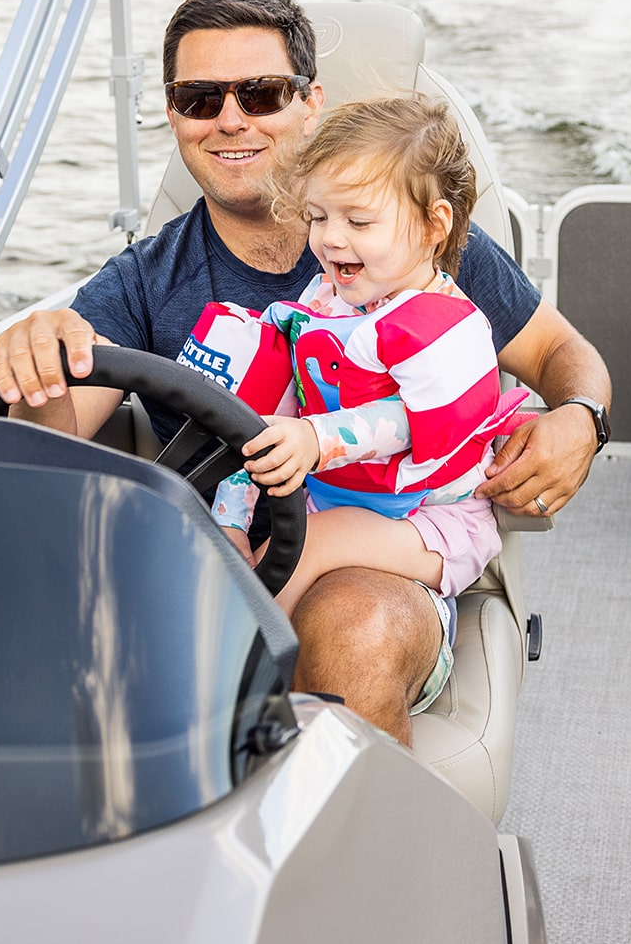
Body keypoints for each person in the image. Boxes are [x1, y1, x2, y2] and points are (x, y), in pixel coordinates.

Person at [0, 0, 612, 744]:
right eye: (198, 97)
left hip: (386, 551)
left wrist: (582, 419)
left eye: (262, 92)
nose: (230, 118)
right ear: (174, 115)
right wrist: (41, 364)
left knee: (352, 625)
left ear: (310, 104)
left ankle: (366, 858)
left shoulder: (418, 244)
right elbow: (50, 449)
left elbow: (559, 353)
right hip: (219, 549)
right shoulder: (141, 281)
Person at [202, 95, 533, 636]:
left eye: (358, 220)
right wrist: (231, 518)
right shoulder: (322, 305)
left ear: (434, 226)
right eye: (318, 216)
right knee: (243, 568)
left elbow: (409, 422)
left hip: (428, 521)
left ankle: (235, 684)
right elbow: (265, 425)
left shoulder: (446, 326)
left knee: (295, 560)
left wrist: (317, 439)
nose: (332, 237)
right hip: (333, 504)